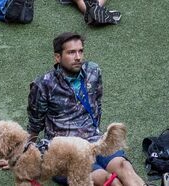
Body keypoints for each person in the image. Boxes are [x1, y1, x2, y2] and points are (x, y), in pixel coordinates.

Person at [26, 32, 147, 186]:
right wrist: (21, 155)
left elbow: (97, 104)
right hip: (66, 151)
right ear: (57, 57)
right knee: (110, 180)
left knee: (125, 168)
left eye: (80, 51)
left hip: (94, 141)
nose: (78, 57)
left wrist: (93, 131)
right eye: (71, 52)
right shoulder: (42, 84)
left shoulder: (93, 71)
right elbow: (35, 125)